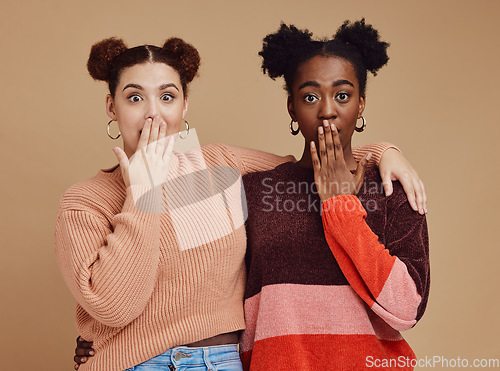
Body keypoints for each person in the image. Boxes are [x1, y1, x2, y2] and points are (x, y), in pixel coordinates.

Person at [63, 35, 426, 370]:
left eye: (167, 96)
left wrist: (384, 152)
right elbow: (113, 306)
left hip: (222, 362)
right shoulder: (86, 201)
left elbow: (304, 166)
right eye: (135, 97)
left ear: (185, 105)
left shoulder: (216, 167)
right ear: (112, 106)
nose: (152, 114)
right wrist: (142, 192)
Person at [239, 20, 430, 370]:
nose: (327, 109)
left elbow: (408, 308)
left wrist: (340, 207)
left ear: (361, 105)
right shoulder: (255, 191)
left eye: (343, 95)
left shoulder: (392, 188)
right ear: (292, 109)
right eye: (310, 96)